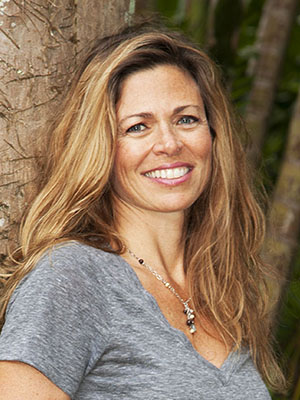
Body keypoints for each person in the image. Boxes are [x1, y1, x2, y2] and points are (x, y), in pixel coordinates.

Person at [0, 22, 285, 399]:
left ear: (214, 136)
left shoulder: (220, 292)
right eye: (137, 127)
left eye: (186, 119)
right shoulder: (73, 278)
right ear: (101, 147)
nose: (168, 143)